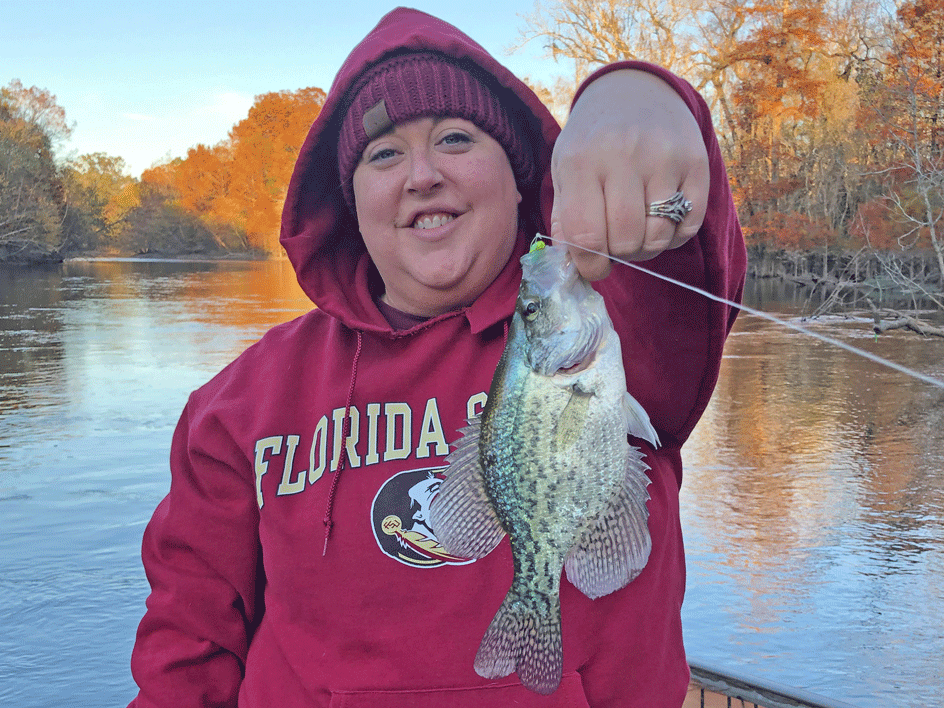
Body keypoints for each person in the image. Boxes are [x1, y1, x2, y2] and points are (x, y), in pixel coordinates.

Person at [127, 6, 746, 707]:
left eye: (455, 138)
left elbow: (688, 246)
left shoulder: (616, 319)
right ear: (350, 200)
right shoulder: (237, 404)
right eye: (383, 154)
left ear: (523, 178)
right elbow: (189, 634)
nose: (421, 175)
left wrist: (639, 93)